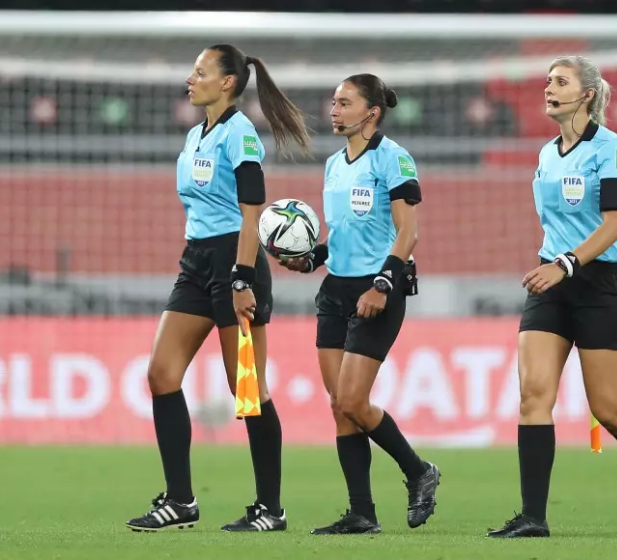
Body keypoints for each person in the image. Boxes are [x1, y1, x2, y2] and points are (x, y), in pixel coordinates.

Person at [487, 56, 617, 539]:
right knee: (533, 395)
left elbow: (615, 224)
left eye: (560, 82)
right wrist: (553, 265)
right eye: (546, 82)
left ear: (586, 94)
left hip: (597, 284)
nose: (548, 89)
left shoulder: (611, 148)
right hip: (550, 283)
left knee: (610, 410)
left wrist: (566, 264)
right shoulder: (545, 153)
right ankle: (533, 518)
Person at [125, 44, 311, 533]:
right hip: (195, 260)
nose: (191, 78)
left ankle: (271, 509)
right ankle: (181, 502)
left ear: (228, 82)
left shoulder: (241, 133)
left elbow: (252, 212)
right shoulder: (194, 136)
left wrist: (242, 276)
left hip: (236, 260)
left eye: (201, 71)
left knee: (246, 388)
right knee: (161, 373)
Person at [280, 74, 439, 535]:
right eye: (333, 101)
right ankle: (362, 513)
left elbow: (408, 233)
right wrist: (313, 257)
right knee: (340, 405)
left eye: (344, 102)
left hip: (377, 290)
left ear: (371, 112)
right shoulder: (333, 164)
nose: (334, 109)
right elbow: (346, 233)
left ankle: (418, 471)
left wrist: (384, 285)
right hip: (335, 291)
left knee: (353, 398)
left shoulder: (394, 159)